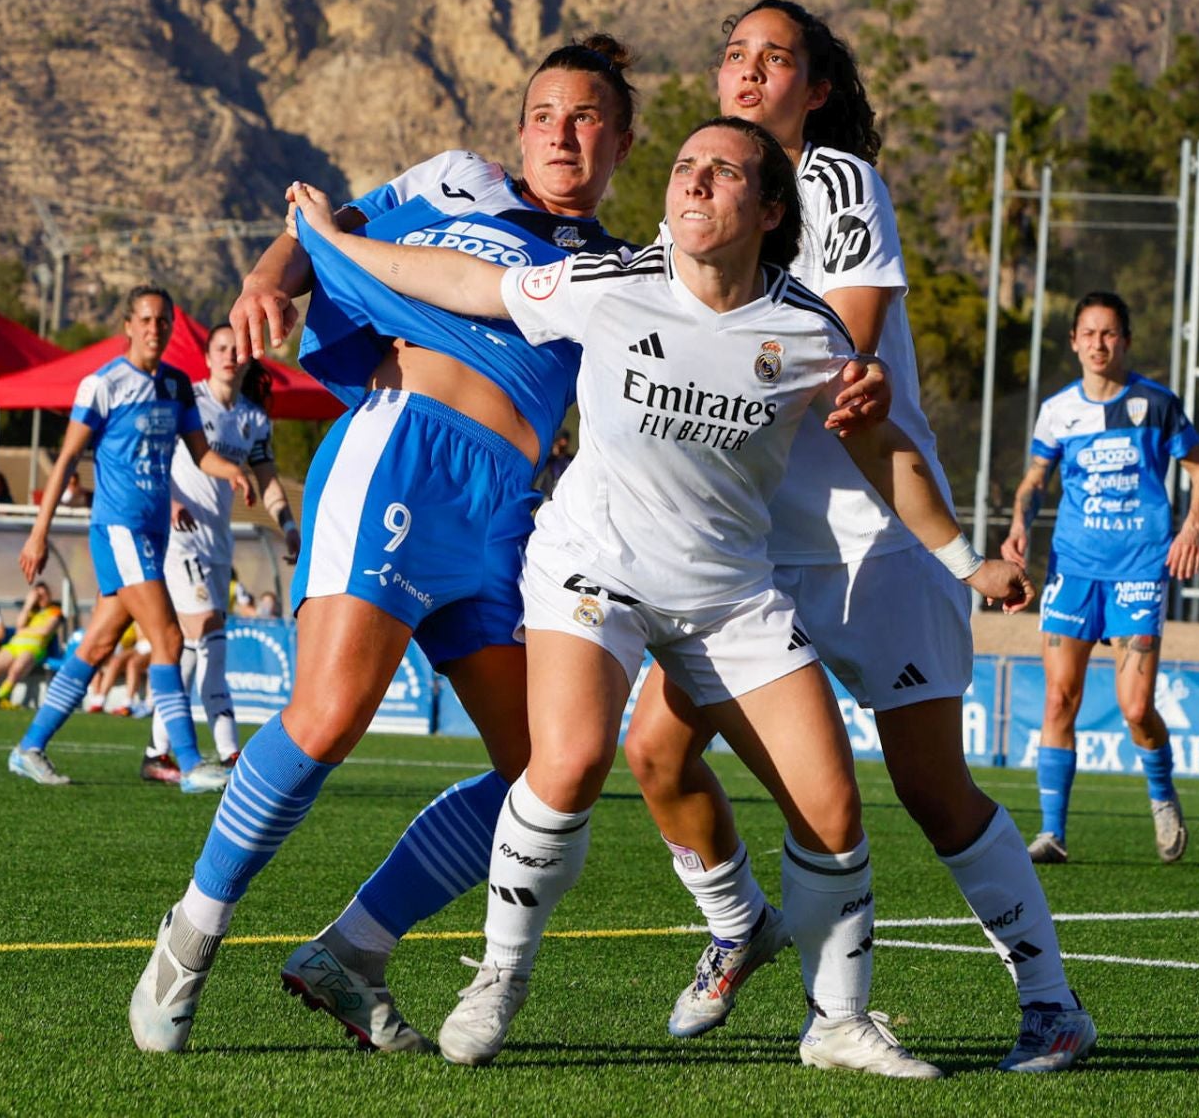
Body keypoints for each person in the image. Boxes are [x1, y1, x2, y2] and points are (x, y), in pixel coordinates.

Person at [276, 117, 1025, 1079]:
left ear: (768, 211)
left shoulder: (808, 329)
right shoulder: (610, 283)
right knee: (571, 761)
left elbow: (882, 451)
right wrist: (336, 244)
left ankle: (837, 1024)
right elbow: (466, 284)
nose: (694, 184)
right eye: (683, 168)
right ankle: (500, 975)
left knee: (833, 808)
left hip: (729, 596)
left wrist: (969, 563)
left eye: (724, 172)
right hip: (596, 571)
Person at [127, 37, 644, 1054]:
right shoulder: (459, 182)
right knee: (326, 716)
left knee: (546, 770)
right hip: (402, 450)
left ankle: (352, 948)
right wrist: (269, 275)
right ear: (519, 126)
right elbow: (321, 230)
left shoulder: (624, 268)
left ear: (621, 140)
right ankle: (190, 933)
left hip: (505, 507)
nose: (561, 133)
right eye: (545, 113)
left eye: (587, 118)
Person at [619, 0, 1092, 1072]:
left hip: (876, 541)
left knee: (933, 787)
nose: (746, 72)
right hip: (746, 548)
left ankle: (1052, 1002)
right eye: (732, 53)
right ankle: (740, 921)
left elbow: (845, 346)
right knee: (653, 750)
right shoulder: (692, 206)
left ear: (815, 89)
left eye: (774, 59)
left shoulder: (835, 181)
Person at [8, 285, 251, 790]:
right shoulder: (103, 384)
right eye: (145, 319)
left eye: (163, 320)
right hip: (118, 527)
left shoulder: (177, 386)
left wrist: (232, 471)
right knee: (167, 637)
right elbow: (67, 461)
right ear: (127, 325)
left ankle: (29, 747)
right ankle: (188, 765)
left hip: (154, 532)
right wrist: (39, 533)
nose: (154, 328)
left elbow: (200, 453)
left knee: (98, 642)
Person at [1002, 292, 1199, 865]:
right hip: (1074, 569)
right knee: (1058, 698)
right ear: (1073, 341)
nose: (1099, 344)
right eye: (1089, 334)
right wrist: (1019, 522)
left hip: (1140, 570)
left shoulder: (1157, 403)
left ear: (1126, 340)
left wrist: (1192, 528)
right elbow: (1034, 481)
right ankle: (1052, 833)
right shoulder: (1058, 410)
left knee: (1136, 707)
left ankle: (1162, 794)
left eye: (1110, 334)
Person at [140, 324, 300, 785]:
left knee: (204, 645)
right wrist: (167, 501)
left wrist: (288, 526)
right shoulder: (187, 401)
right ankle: (226, 751)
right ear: (207, 357)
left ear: (248, 359)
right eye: (221, 348)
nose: (230, 355)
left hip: (217, 544)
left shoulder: (253, 419)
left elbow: (268, 479)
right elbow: (154, 458)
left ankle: (162, 751)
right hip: (178, 538)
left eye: (237, 349)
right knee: (204, 628)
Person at [535, 431, 574, 496]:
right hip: (547, 494)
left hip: (564, 494)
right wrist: (552, 453)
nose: (561, 447)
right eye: (559, 444)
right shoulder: (549, 459)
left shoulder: (570, 460)